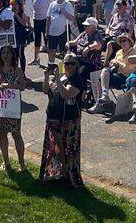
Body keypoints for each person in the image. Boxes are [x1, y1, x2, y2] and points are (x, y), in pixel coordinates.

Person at [39, 54, 85, 188]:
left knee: (68, 149)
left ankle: (69, 176)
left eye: (71, 63)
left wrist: (58, 78)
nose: (69, 66)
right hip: (54, 116)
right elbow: (45, 90)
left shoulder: (77, 79)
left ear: (76, 65)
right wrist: (47, 76)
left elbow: (66, 94)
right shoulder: (59, 78)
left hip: (69, 120)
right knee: (55, 148)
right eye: (66, 63)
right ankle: (56, 173)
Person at [0, 44, 27, 171]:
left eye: (8, 53)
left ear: (12, 55)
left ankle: (22, 163)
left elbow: (22, 86)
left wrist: (8, 86)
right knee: (2, 133)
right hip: (1, 106)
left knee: (16, 134)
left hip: (14, 106)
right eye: (3, 53)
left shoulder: (17, 70)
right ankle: (6, 162)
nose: (5, 55)